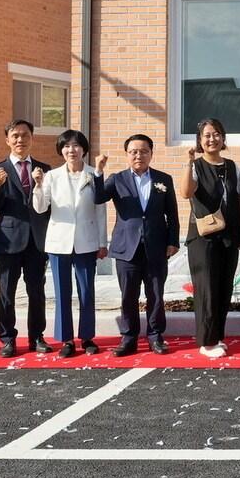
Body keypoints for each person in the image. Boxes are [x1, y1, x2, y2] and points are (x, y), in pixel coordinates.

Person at [94, 134, 180, 356]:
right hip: (126, 248)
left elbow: (172, 213)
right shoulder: (117, 179)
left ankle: (155, 336)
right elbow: (98, 197)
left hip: (156, 247)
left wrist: (173, 241)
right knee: (128, 296)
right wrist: (98, 172)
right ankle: (129, 337)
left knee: (156, 295)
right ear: (127, 155)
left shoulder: (163, 179)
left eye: (143, 151)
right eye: (133, 151)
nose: (138, 155)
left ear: (151, 153)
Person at [31, 129, 108, 358]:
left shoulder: (94, 175)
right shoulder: (51, 176)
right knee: (62, 293)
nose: (71, 150)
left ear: (83, 149)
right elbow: (40, 207)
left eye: (76, 146)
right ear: (61, 150)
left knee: (86, 291)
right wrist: (37, 185)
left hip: (86, 240)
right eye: (66, 146)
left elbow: (101, 210)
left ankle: (87, 337)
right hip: (59, 242)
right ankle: (66, 340)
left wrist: (102, 242)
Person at [179, 118, 240, 359]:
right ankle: (206, 342)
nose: (212, 139)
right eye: (207, 135)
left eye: (216, 134)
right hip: (203, 237)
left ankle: (217, 335)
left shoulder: (231, 166)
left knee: (223, 288)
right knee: (206, 288)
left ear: (223, 137)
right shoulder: (196, 165)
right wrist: (188, 163)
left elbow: (238, 199)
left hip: (228, 236)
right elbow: (186, 192)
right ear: (200, 140)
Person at [0, 119, 51, 358]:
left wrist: (40, 184)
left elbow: (49, 206)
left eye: (25, 135)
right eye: (15, 136)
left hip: (36, 241)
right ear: (7, 140)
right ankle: (7, 339)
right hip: (8, 241)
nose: (20, 140)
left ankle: (37, 337)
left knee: (37, 291)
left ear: (32, 138)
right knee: (6, 292)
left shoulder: (44, 169)